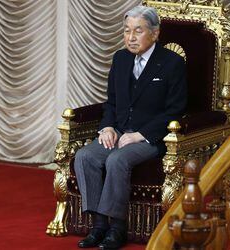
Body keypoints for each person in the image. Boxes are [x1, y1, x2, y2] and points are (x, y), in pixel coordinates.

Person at [74, 5, 187, 249]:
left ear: (155, 34)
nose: (131, 37)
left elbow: (174, 110)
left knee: (117, 160)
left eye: (138, 31)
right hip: (119, 132)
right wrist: (107, 127)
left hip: (151, 139)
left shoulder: (171, 63)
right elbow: (112, 102)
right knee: (85, 156)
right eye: (127, 31)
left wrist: (140, 135)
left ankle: (117, 228)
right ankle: (98, 225)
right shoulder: (120, 58)